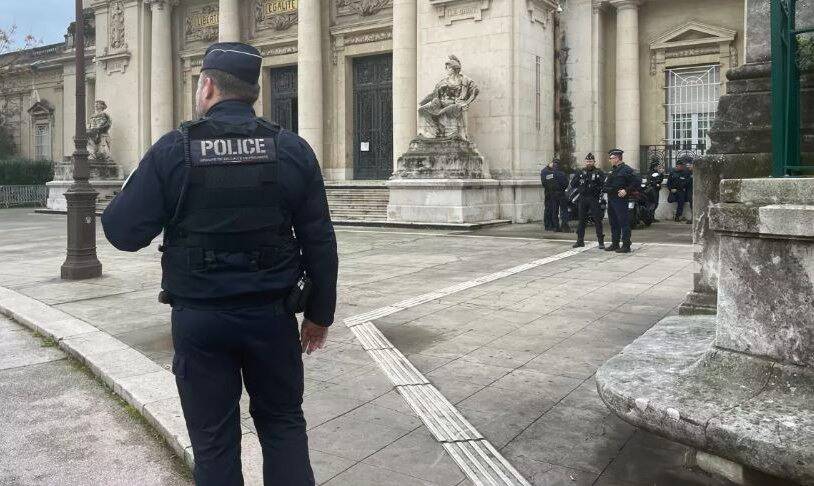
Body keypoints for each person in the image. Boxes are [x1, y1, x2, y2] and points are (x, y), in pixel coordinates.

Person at [101, 42, 338, 486]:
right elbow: (320, 240)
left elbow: (121, 232)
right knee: (284, 425)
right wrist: (320, 314)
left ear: (206, 85)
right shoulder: (291, 150)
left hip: (200, 319)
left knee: (213, 442)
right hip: (272, 317)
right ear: (253, 92)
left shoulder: (175, 149)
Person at [602, 148, 640, 253]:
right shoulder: (612, 171)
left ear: (618, 158)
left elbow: (637, 181)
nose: (610, 160)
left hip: (620, 200)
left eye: (612, 158)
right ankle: (615, 244)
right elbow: (605, 186)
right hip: (612, 199)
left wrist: (626, 190)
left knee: (624, 223)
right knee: (613, 222)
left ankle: (626, 245)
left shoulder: (626, 169)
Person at [570, 153, 606, 248]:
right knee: (581, 220)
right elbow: (573, 184)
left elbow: (604, 184)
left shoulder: (599, 172)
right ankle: (580, 241)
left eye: (591, 161)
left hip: (594, 198)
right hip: (583, 198)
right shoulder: (580, 172)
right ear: (585, 162)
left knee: (597, 220)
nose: (589, 163)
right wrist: (579, 178)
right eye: (587, 161)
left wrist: (596, 187)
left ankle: (601, 242)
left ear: (594, 162)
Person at [540, 158, 570, 232]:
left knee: (553, 210)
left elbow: (544, 183)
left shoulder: (545, 172)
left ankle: (554, 226)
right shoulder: (560, 173)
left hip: (550, 193)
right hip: (560, 193)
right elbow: (566, 183)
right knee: (563, 210)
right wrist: (562, 189)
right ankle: (564, 226)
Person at [667, 156, 692, 222]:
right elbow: (668, 183)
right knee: (670, 200)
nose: (682, 167)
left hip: (681, 191)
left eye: (683, 166)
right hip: (673, 190)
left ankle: (677, 216)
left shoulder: (685, 173)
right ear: (677, 166)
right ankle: (675, 215)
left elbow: (687, 181)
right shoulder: (672, 173)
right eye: (681, 166)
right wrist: (671, 189)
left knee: (681, 204)